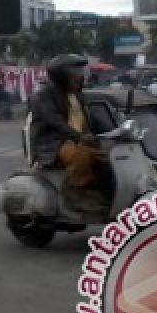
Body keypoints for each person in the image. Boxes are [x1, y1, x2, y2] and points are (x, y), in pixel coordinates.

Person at [27, 54, 108, 209]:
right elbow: (55, 122)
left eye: (80, 73)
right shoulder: (43, 95)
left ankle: (101, 193)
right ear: (61, 76)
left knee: (111, 157)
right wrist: (79, 137)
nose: (80, 77)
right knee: (81, 155)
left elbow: (91, 119)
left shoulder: (77, 95)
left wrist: (118, 130)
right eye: (75, 74)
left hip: (78, 141)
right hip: (54, 144)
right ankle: (75, 193)